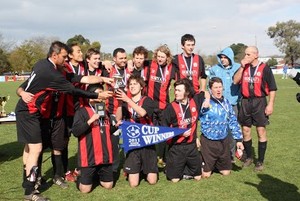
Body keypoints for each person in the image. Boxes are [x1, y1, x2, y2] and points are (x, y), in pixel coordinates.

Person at [16, 41, 113, 201]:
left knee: (29, 148)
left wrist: (103, 78)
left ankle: (28, 183)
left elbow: (81, 78)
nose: (66, 59)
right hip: (28, 112)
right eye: (63, 57)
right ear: (54, 55)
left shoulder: (43, 65)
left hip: (33, 112)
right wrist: (97, 96)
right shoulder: (51, 74)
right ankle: (30, 191)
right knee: (36, 148)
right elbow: (74, 89)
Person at [233, 46, 277, 171]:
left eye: (248, 54)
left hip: (260, 102)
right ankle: (249, 157)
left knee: (260, 131)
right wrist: (241, 67)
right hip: (246, 102)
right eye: (245, 54)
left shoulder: (265, 68)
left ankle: (260, 161)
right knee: (245, 130)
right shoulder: (243, 67)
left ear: (256, 55)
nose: (245, 57)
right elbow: (235, 81)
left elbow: (273, 88)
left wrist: (270, 104)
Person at [72, 85, 121, 193]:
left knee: (108, 185)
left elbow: (106, 130)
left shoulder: (104, 110)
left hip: (104, 156)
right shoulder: (82, 111)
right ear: (90, 95)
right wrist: (90, 120)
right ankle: (79, 174)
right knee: (85, 190)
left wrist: (116, 126)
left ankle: (95, 176)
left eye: (101, 92)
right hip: (89, 157)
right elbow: (75, 132)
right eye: (98, 92)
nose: (101, 95)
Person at [160, 78, 208, 182]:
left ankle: (184, 167)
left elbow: (205, 92)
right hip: (176, 147)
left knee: (198, 177)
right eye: (175, 90)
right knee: (175, 180)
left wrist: (207, 100)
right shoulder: (170, 107)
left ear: (187, 92)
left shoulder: (195, 101)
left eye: (179, 90)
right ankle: (171, 167)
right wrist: (179, 133)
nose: (176, 93)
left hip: (192, 146)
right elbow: (163, 129)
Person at [115, 75, 158, 187]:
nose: (132, 86)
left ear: (141, 86)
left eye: (135, 84)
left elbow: (142, 113)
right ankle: (136, 168)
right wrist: (120, 104)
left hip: (147, 142)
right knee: (133, 184)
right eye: (130, 84)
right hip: (132, 142)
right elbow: (118, 119)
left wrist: (127, 99)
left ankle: (144, 168)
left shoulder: (147, 100)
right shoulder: (125, 103)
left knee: (152, 181)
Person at [199, 77, 244, 178]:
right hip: (208, 140)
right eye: (215, 87)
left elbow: (233, 121)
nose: (218, 90)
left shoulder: (227, 103)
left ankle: (216, 163)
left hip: (223, 140)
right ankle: (204, 163)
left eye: (220, 87)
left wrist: (239, 140)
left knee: (226, 173)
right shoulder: (205, 102)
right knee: (206, 175)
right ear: (210, 89)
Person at [103, 47, 132, 181]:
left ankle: (129, 167)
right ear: (114, 59)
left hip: (129, 111)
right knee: (114, 142)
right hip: (113, 110)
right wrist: (104, 62)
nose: (123, 60)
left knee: (128, 140)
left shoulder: (129, 70)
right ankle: (114, 168)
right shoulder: (108, 70)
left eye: (125, 58)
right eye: (120, 58)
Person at [146, 44, 177, 168]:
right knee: (150, 132)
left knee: (163, 132)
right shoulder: (150, 64)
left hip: (164, 105)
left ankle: (163, 157)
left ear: (167, 57)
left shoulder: (172, 68)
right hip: (150, 105)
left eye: (162, 57)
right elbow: (136, 63)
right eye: (158, 56)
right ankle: (152, 157)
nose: (160, 59)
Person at [209, 47, 241, 162]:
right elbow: (210, 85)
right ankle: (217, 154)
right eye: (221, 57)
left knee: (232, 130)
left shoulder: (238, 68)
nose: (222, 60)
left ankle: (231, 155)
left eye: (225, 57)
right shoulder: (215, 69)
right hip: (218, 104)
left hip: (233, 104)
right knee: (218, 129)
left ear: (230, 58)